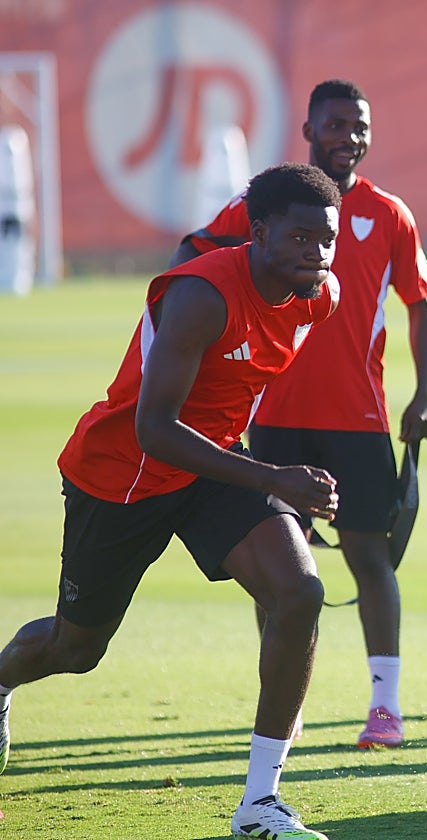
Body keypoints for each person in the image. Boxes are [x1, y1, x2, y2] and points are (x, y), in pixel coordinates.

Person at [0, 163, 342, 839]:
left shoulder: (318, 296)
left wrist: (284, 475)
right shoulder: (201, 296)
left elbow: (240, 388)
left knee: (299, 592)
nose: (318, 253)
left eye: (326, 239)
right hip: (123, 473)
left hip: (212, 464)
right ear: (259, 232)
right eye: (301, 237)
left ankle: (260, 803)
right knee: (77, 648)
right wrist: (275, 478)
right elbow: (153, 429)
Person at [171, 79, 427, 749]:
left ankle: (386, 707)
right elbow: (191, 255)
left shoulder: (389, 213)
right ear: (309, 130)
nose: (349, 136)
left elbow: (422, 305)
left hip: (359, 416)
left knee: (369, 558)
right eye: (336, 124)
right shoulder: (270, 204)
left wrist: (425, 393)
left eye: (360, 125)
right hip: (274, 414)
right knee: (276, 564)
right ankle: (283, 706)